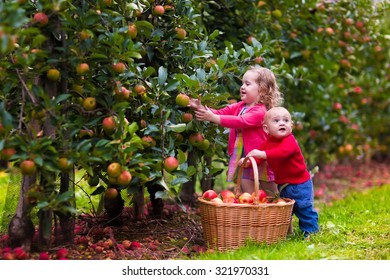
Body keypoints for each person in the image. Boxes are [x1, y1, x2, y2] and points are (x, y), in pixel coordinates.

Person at [189, 66, 283, 195]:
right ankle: (252, 213)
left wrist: (213, 117)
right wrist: (200, 108)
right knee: (248, 194)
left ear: (262, 90)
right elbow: (218, 112)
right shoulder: (239, 106)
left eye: (247, 84)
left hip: (260, 158)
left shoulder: (260, 111)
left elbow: (241, 121)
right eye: (242, 83)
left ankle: (280, 213)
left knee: (270, 192)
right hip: (243, 158)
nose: (242, 87)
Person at [243, 106, 319, 238]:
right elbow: (259, 159)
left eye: (286, 120)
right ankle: (282, 234)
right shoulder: (267, 143)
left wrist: (262, 154)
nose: (282, 123)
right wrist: (249, 161)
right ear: (266, 129)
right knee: (285, 210)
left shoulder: (289, 140)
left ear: (291, 125)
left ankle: (311, 233)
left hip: (300, 184)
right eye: (276, 121)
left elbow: (282, 153)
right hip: (283, 185)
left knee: (304, 208)